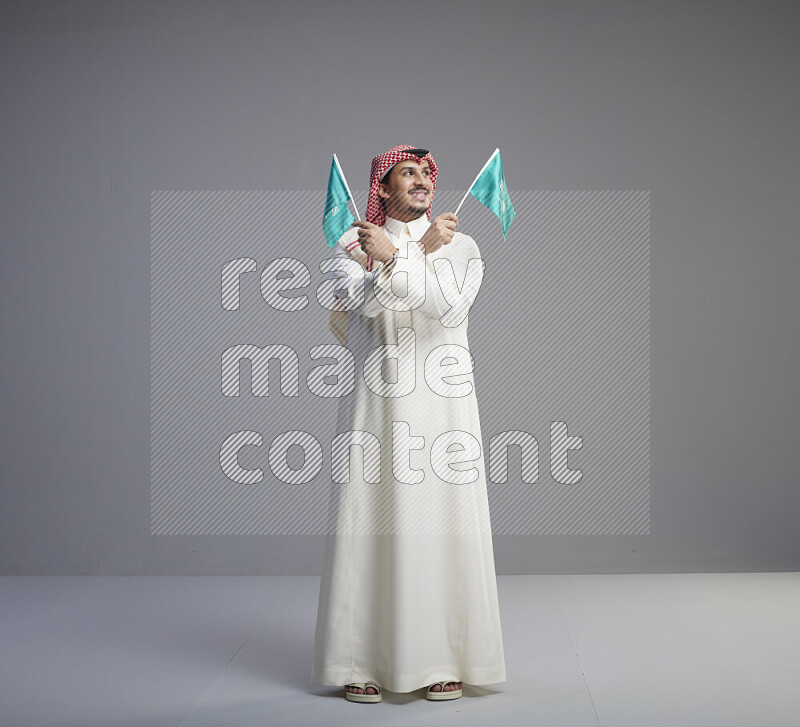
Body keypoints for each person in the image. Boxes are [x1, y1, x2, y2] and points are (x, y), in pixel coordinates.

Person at [311, 144, 506, 703]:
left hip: (443, 404)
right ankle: (362, 661)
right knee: (371, 518)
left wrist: (407, 255)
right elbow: (362, 306)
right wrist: (396, 257)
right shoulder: (352, 244)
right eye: (408, 173)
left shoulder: (460, 244)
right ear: (383, 187)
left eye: (426, 174)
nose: (421, 182)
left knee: (441, 519)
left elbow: (448, 309)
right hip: (378, 402)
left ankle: (445, 658)